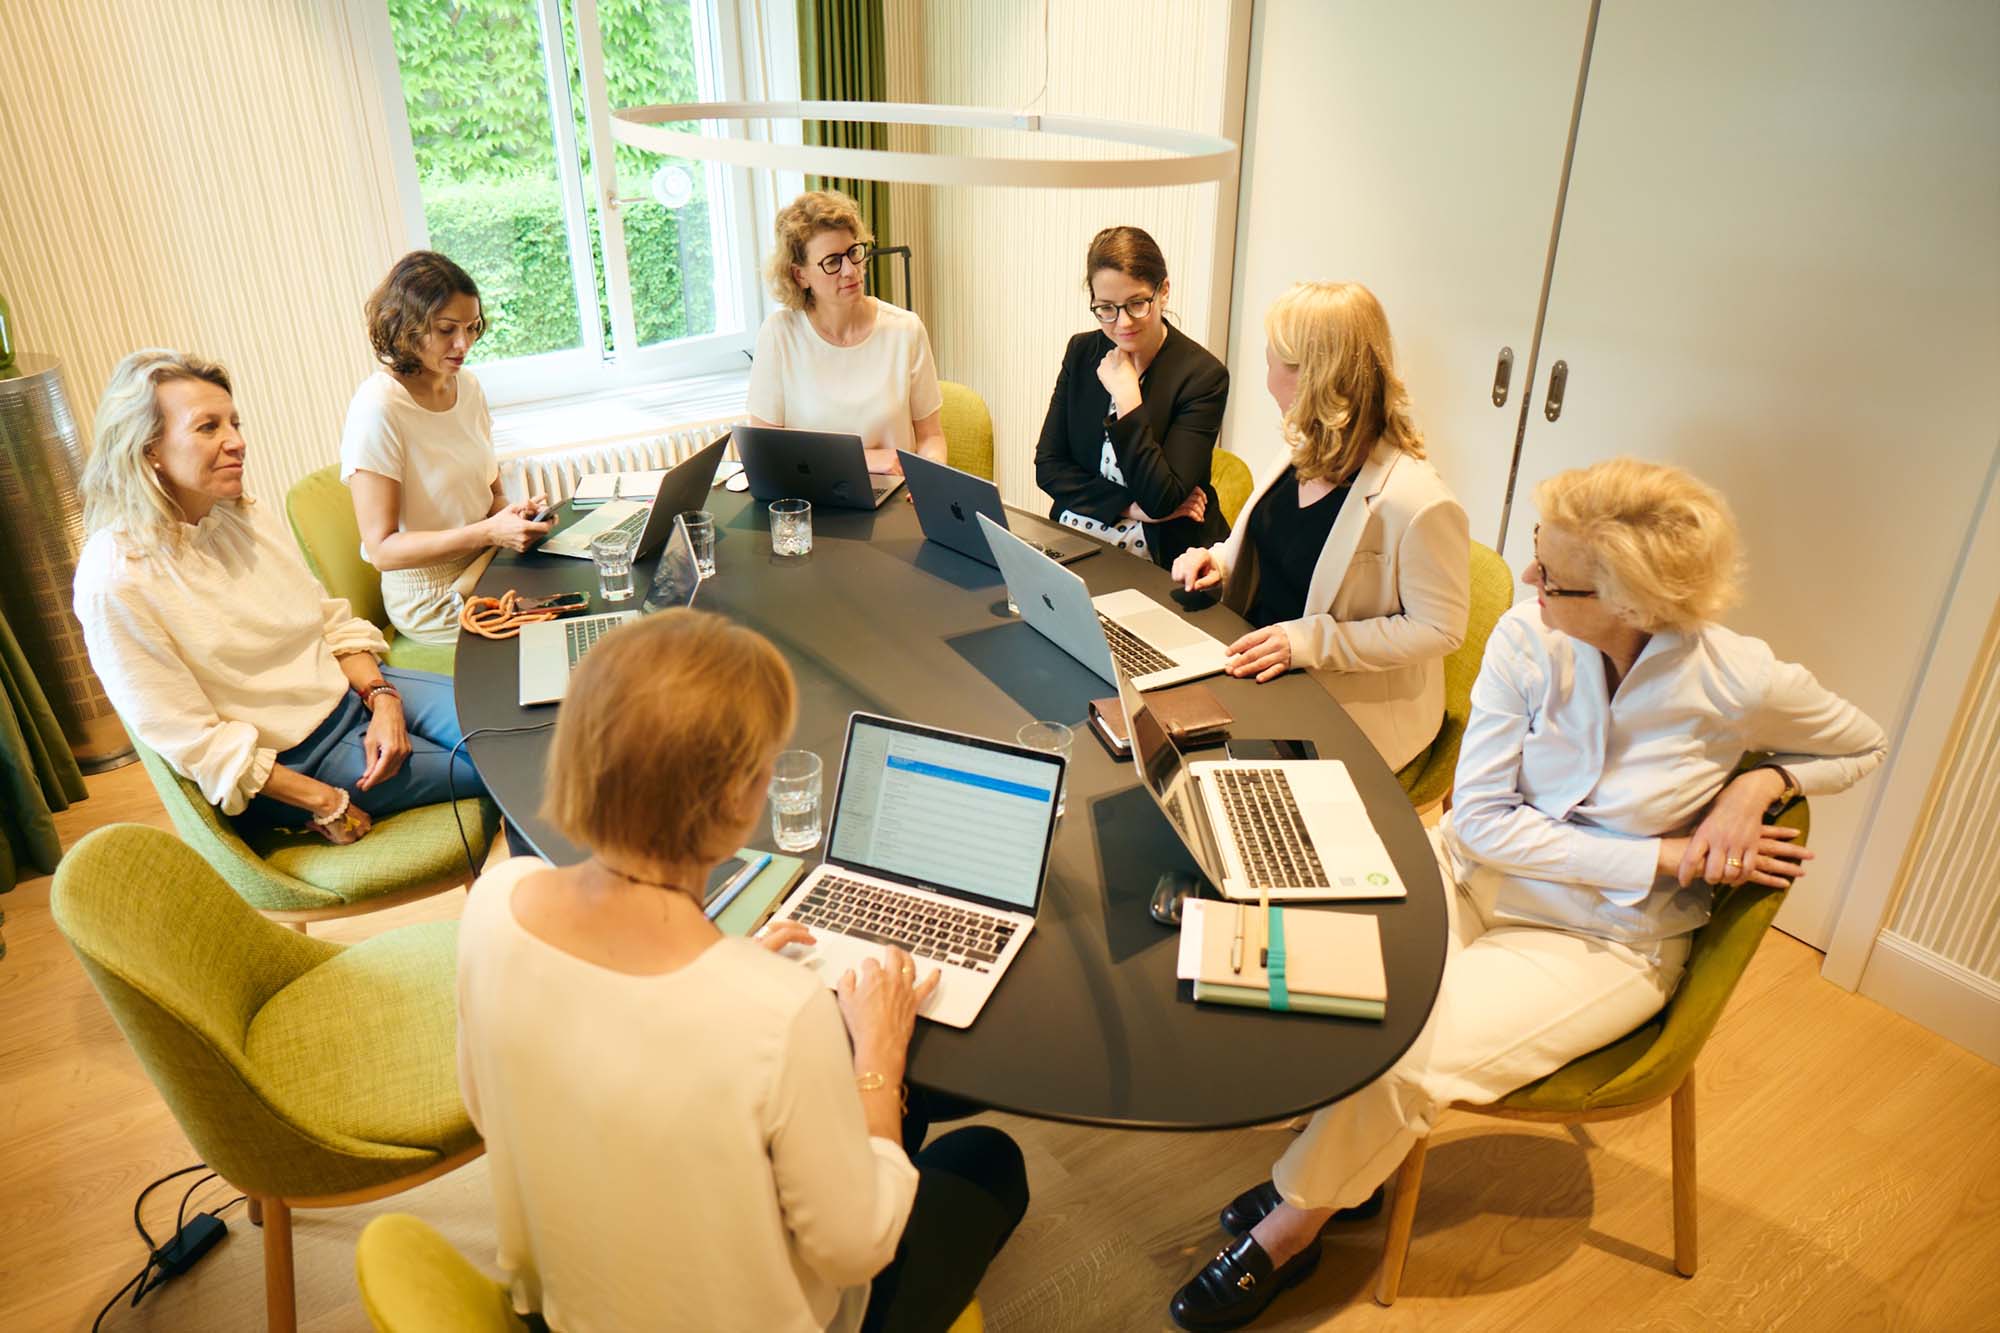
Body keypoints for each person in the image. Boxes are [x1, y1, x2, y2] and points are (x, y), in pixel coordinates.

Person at [1165, 459, 1888, 1331]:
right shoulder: (1524, 636)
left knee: (1403, 1051)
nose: (1530, 579)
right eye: (1537, 558)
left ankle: (1291, 1229)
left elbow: (1862, 744)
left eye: (1552, 573)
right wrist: (1664, 856)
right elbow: (1480, 823)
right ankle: (1346, 1179)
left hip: (1604, 939)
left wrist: (1759, 782)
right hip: (1471, 873)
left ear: (1634, 600)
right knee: (1324, 966)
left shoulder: (1738, 680)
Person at [455, 609, 1029, 1332]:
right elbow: (858, 1248)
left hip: (570, 1299)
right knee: (990, 1161)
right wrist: (878, 1061)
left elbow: (488, 1105)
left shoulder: (495, 905)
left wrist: (721, 978)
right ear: (736, 800)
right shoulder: (778, 1013)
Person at [73, 350, 484, 844]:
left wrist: (383, 699)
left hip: (352, 690)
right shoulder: (116, 581)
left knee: (520, 719)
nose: (237, 442)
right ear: (148, 449)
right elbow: (195, 742)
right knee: (515, 763)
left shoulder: (238, 512)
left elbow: (327, 623)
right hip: (298, 757)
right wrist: (325, 801)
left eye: (234, 423)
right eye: (208, 428)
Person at [1171, 282, 1469, 771]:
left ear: (1313, 376)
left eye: (1273, 363)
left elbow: (1440, 628)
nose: (1267, 381)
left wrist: (1310, 641)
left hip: (1338, 702)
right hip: (1256, 664)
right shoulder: (1302, 446)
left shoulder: (1416, 499)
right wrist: (1220, 560)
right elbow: (1276, 545)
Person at [342, 251, 550, 645]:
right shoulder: (378, 407)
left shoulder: (467, 386)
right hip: (431, 596)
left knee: (579, 591)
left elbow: (490, 496)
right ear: (406, 327)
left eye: (472, 328)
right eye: (446, 330)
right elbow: (382, 550)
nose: (463, 343)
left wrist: (513, 518)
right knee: (557, 623)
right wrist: (489, 532)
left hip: (486, 562)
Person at [1034, 225, 1229, 570]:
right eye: (1106, 308)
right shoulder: (1082, 351)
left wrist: (1127, 398)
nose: (1122, 322)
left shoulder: (1202, 377)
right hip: (1076, 538)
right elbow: (1049, 468)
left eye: (1137, 303)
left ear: (1163, 290)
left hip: (1160, 558)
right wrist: (1127, 506)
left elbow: (1160, 499)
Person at [748, 190, 947, 476]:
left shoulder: (905, 330)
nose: (851, 271)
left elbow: (931, 437)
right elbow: (765, 453)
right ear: (799, 275)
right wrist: (869, 460)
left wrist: (933, 474)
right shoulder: (779, 336)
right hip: (814, 502)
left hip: (895, 499)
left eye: (853, 253)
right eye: (832, 262)